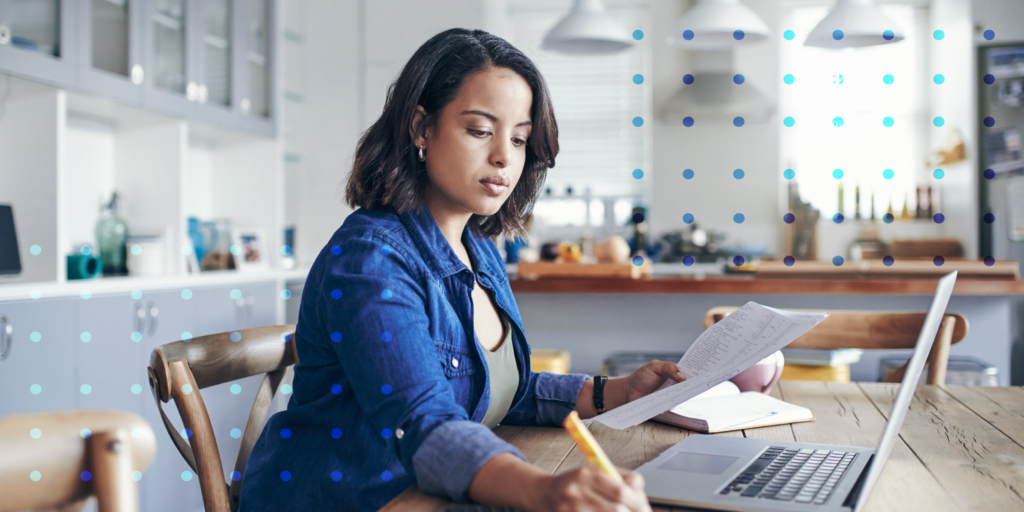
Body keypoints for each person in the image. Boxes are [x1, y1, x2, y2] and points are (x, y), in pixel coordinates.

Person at [238, 28, 685, 512]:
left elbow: (499, 393)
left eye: (519, 139)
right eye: (479, 130)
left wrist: (616, 392)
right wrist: (542, 489)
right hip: (349, 496)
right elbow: (424, 418)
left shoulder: (481, 249)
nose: (503, 157)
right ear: (421, 128)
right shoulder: (370, 260)